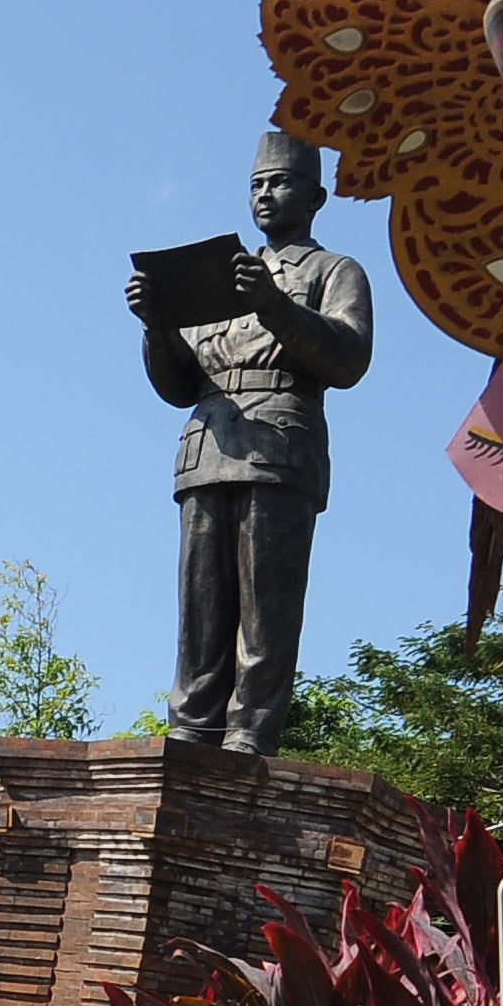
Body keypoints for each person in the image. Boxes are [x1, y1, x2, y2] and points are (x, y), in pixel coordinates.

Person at [125, 130, 374, 754]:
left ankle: (250, 731)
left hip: (281, 444)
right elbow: (178, 385)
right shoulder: (220, 275)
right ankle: (192, 725)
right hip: (208, 445)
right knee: (200, 605)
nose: (265, 194)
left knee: (267, 605)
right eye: (256, 184)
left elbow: (348, 358)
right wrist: (157, 325)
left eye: (280, 182)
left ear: (315, 197)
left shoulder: (334, 271)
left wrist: (273, 306)